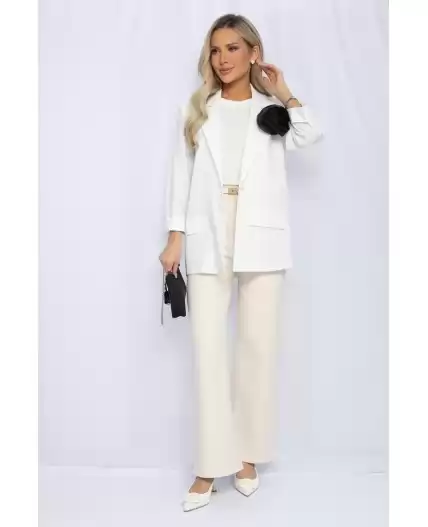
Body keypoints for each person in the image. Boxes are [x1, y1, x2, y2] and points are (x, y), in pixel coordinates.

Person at [159, 13, 323, 512]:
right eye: (215, 50)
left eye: (233, 48)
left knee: (257, 349)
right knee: (208, 353)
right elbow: (180, 176)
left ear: (254, 52)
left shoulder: (271, 112)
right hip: (208, 236)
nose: (222, 58)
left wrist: (284, 91)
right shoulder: (196, 110)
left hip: (261, 236)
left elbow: (311, 134)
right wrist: (174, 238)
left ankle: (248, 457)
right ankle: (210, 465)